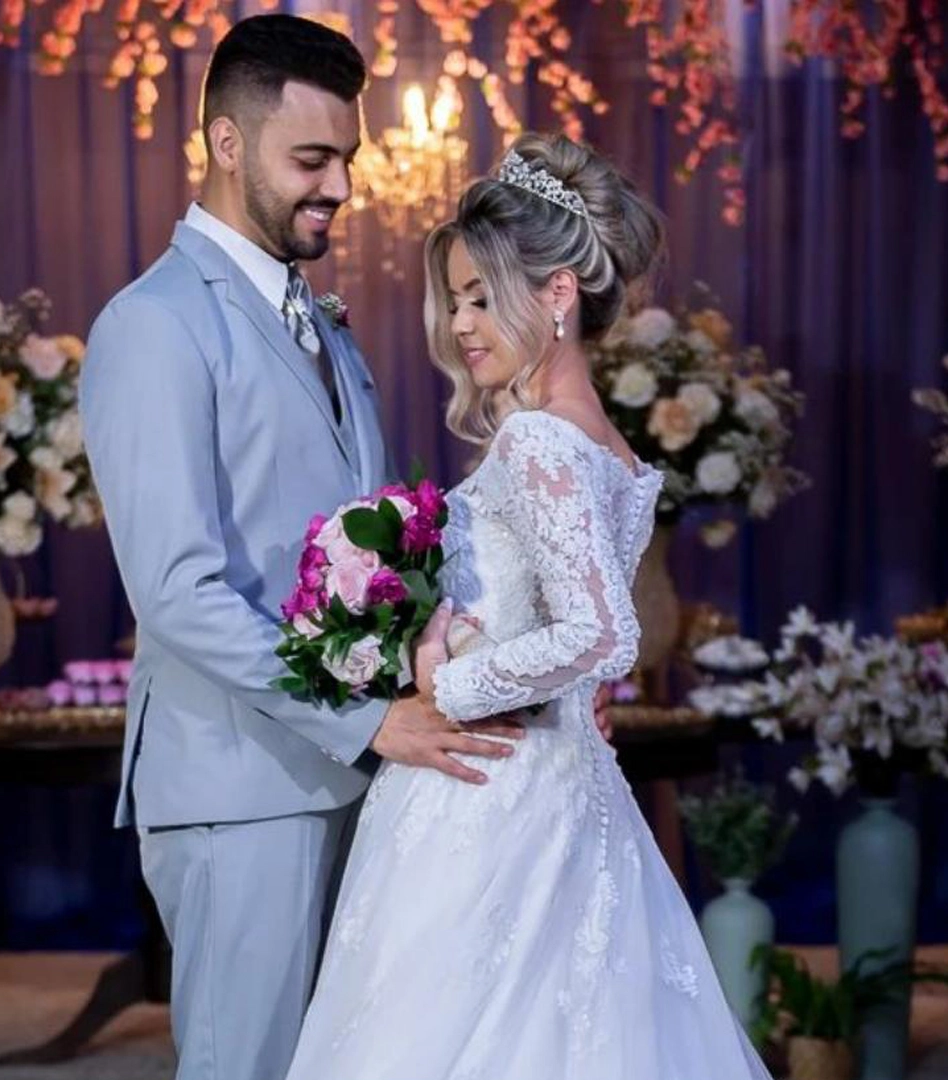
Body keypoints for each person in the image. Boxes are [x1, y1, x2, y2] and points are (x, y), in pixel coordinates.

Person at [78, 15, 525, 1080]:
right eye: (312, 160)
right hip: (240, 788)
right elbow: (178, 593)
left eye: (348, 159)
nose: (341, 187)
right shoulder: (153, 325)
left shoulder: (323, 324)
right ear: (227, 144)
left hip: (354, 776)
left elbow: (375, 546)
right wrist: (368, 722)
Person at [284, 133, 774, 1080]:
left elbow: (601, 631)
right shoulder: (611, 449)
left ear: (557, 294)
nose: (462, 324)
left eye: (482, 297)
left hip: (492, 788)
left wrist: (447, 681)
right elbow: (576, 631)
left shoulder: (540, 441)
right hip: (562, 781)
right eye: (456, 299)